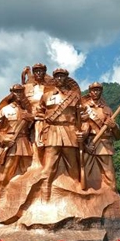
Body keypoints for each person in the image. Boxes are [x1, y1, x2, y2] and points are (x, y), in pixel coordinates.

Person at [36, 68, 81, 199]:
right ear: (54, 79)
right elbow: (39, 116)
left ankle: (77, 196)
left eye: (62, 76)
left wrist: (83, 131)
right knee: (49, 167)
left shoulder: (75, 96)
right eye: (57, 76)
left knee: (73, 167)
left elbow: (81, 118)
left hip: (70, 132)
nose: (60, 79)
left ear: (66, 78)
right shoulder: (46, 96)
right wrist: (39, 134)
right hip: (52, 132)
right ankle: (44, 198)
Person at [0, 84, 34, 191]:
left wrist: (30, 118)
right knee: (7, 172)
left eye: (21, 91)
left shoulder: (27, 109)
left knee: (28, 171)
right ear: (12, 93)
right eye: (16, 92)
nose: (19, 94)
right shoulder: (5, 110)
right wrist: (3, 139)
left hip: (24, 142)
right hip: (11, 143)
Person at [80, 82, 120, 191]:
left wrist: (114, 127)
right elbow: (79, 129)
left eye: (98, 90)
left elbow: (118, 136)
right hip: (90, 145)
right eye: (93, 90)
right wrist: (84, 146)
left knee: (110, 178)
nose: (95, 92)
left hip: (105, 146)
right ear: (90, 92)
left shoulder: (107, 110)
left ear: (101, 92)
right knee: (86, 179)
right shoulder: (84, 108)